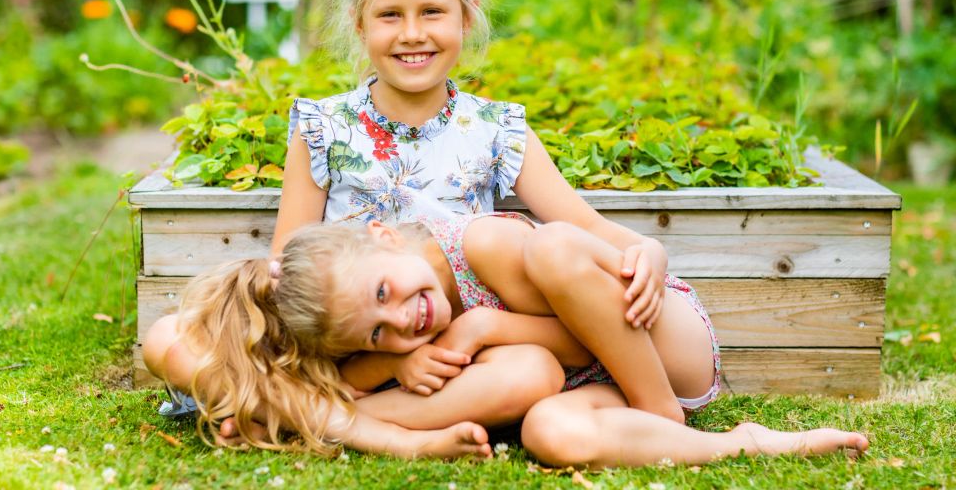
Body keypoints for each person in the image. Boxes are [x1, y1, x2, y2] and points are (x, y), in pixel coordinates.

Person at [154, 0, 700, 435]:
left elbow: (588, 234)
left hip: (457, 344)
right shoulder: (323, 128)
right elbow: (290, 266)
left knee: (529, 374)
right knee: (165, 338)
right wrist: (384, 364)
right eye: (390, 15)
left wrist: (648, 249)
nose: (412, 33)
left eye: (432, 12)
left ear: (467, 16)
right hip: (360, 339)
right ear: (359, 23)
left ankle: (310, 419)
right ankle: (317, 406)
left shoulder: (497, 129)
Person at [235, 213, 870, 468]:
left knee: (555, 246)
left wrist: (488, 324)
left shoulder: (477, 247)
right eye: (378, 330)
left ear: (384, 235)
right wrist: (385, 368)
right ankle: (735, 445)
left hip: (659, 342)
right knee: (548, 434)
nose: (404, 320)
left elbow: (585, 338)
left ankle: (663, 415)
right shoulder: (402, 336)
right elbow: (361, 373)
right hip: (599, 391)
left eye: (383, 293)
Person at [142, 264, 495, 459]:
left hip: (311, 388)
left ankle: (281, 422)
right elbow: (166, 345)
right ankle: (278, 416)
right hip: (274, 381)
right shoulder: (187, 340)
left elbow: (340, 398)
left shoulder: (327, 307)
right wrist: (419, 445)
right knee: (166, 344)